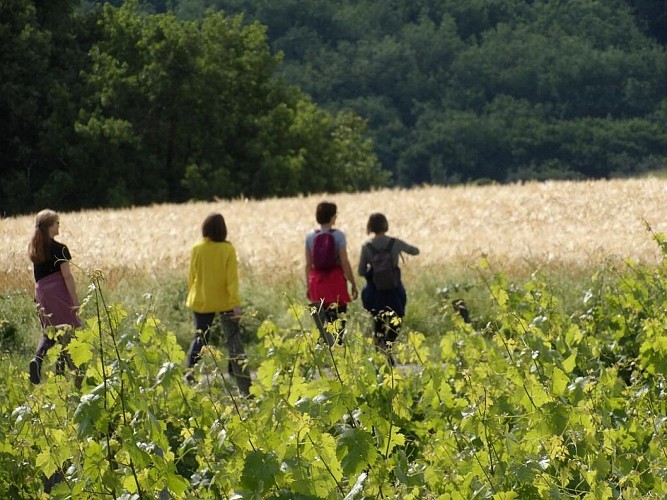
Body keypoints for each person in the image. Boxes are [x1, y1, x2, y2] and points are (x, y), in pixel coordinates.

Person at [185, 212, 251, 396]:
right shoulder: (227, 249)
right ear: (223, 229)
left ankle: (190, 372)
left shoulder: (196, 248)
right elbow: (232, 281)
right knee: (232, 337)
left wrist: (193, 293)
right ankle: (234, 371)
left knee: (200, 336)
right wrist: (235, 304)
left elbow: (192, 277)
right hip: (225, 300)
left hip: (201, 299)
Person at [28, 209, 82, 384]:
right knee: (67, 332)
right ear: (50, 227)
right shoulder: (60, 249)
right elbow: (67, 276)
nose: (59, 225)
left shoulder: (35, 248)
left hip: (42, 293)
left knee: (50, 330)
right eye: (57, 223)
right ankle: (78, 378)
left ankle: (38, 360)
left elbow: (37, 278)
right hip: (58, 293)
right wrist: (75, 303)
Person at [358, 213, 419, 363]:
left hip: (374, 292)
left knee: (378, 323)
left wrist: (374, 271)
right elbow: (415, 251)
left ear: (370, 227)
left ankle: (381, 361)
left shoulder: (367, 247)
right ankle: (388, 345)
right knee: (397, 320)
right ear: (385, 225)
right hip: (394, 290)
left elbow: (360, 271)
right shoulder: (394, 242)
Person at [305, 201, 358, 345]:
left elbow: (308, 264)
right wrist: (353, 283)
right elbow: (344, 262)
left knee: (322, 320)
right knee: (339, 317)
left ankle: (327, 349)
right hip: (335, 281)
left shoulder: (310, 236)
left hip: (317, 282)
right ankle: (338, 347)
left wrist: (308, 286)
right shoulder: (339, 236)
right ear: (333, 217)